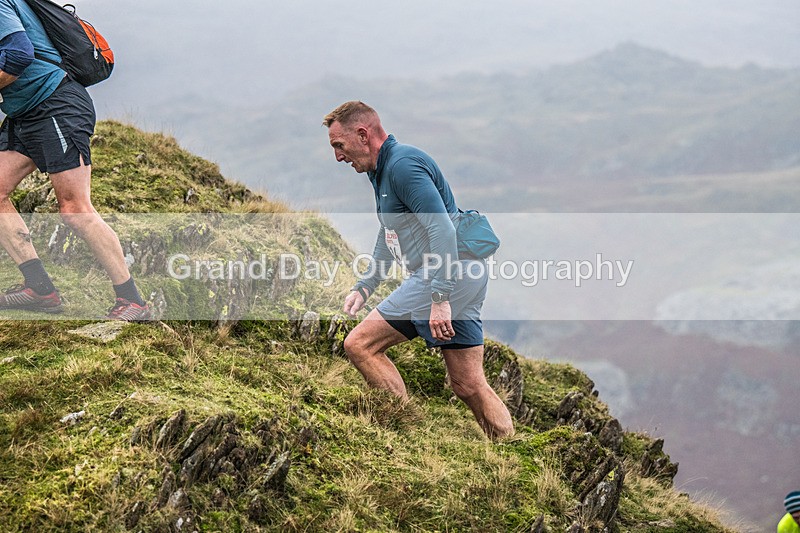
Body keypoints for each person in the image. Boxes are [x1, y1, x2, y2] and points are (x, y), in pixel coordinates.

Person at [323, 101, 514, 439]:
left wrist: (439, 298)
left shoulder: (403, 166)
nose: (338, 157)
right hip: (465, 273)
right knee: (468, 385)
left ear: (363, 135)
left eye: (340, 145)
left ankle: (403, 433)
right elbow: (390, 229)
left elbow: (442, 230)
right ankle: (509, 452)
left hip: (442, 274)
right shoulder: (379, 169)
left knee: (360, 345)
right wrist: (366, 285)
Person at [0, 0, 150, 320]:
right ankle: (40, 289)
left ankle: (133, 301)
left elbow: (18, 55)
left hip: (56, 105)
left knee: (75, 210)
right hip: (24, 113)